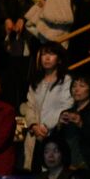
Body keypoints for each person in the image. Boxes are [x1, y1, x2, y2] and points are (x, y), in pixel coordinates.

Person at [21, 43, 73, 171]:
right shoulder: (36, 81)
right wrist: (33, 125)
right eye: (44, 54)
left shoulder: (66, 80)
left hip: (55, 133)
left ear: (59, 59)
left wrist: (46, 126)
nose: (47, 58)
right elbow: (30, 106)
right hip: (35, 135)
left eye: (51, 54)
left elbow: (66, 105)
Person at [0, 0, 35, 104]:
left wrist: (23, 18)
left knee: (24, 70)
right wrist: (6, 18)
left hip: (29, 25)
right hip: (8, 28)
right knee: (9, 71)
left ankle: (23, 104)